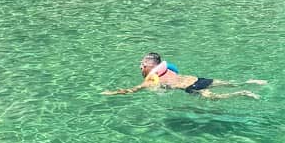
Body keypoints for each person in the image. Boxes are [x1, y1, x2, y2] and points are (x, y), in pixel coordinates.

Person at [103, 54, 259, 100]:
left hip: (192, 88)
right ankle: (249, 83)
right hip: (198, 79)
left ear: (150, 67)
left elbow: (132, 90)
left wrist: (113, 92)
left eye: (142, 64)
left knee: (216, 97)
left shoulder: (151, 80)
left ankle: (242, 93)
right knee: (229, 83)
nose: (140, 67)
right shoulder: (168, 71)